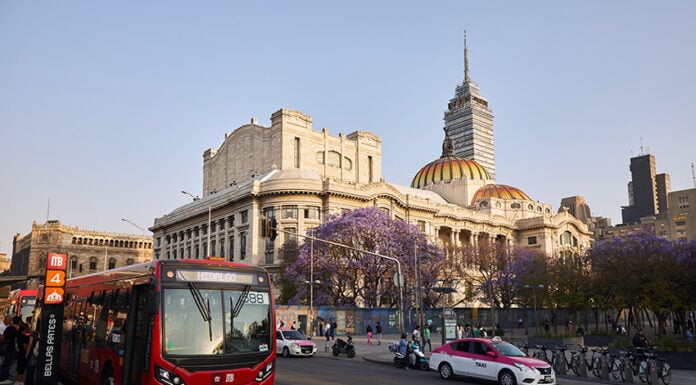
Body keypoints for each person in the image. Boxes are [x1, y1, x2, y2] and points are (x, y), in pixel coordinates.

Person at [0, 316, 21, 384]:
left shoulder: (10, 328)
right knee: (7, 364)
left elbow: (3, 337)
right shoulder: (15, 329)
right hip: (10, 349)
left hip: (7, 349)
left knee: (6, 364)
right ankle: (4, 378)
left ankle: (3, 378)